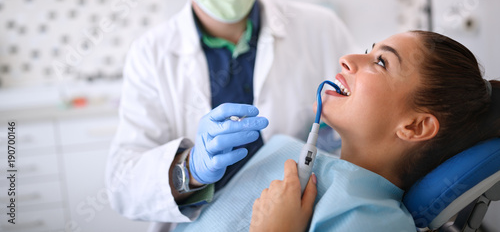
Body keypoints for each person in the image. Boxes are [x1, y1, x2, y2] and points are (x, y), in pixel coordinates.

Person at [105, 0, 358, 230]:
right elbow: (123, 185)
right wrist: (190, 169)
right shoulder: (151, 55)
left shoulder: (320, 27)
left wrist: (339, 135)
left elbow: (374, 128)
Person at [167, 31, 500, 232]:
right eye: (370, 49)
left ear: (415, 126)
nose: (347, 59)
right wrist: (191, 174)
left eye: (381, 62)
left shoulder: (374, 222)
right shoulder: (286, 150)